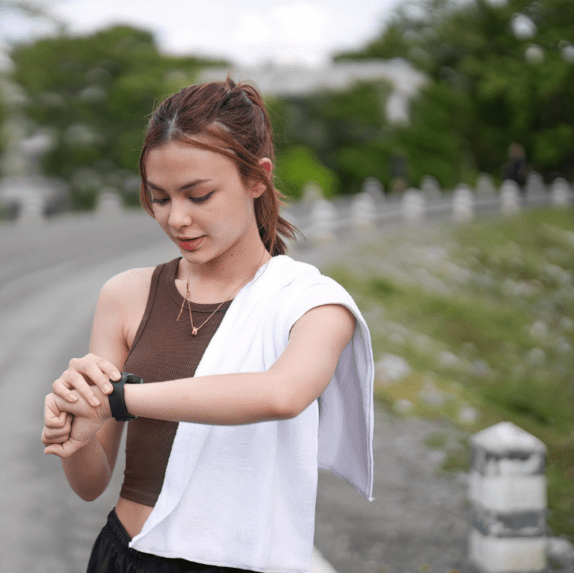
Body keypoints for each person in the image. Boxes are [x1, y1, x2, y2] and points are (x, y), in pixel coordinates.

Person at [41, 78, 375, 573]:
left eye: (199, 195)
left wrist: (119, 399)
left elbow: (280, 394)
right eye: (159, 198)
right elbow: (90, 485)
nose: (177, 219)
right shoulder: (126, 296)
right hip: (126, 554)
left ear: (256, 178)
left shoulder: (312, 302)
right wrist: (77, 432)